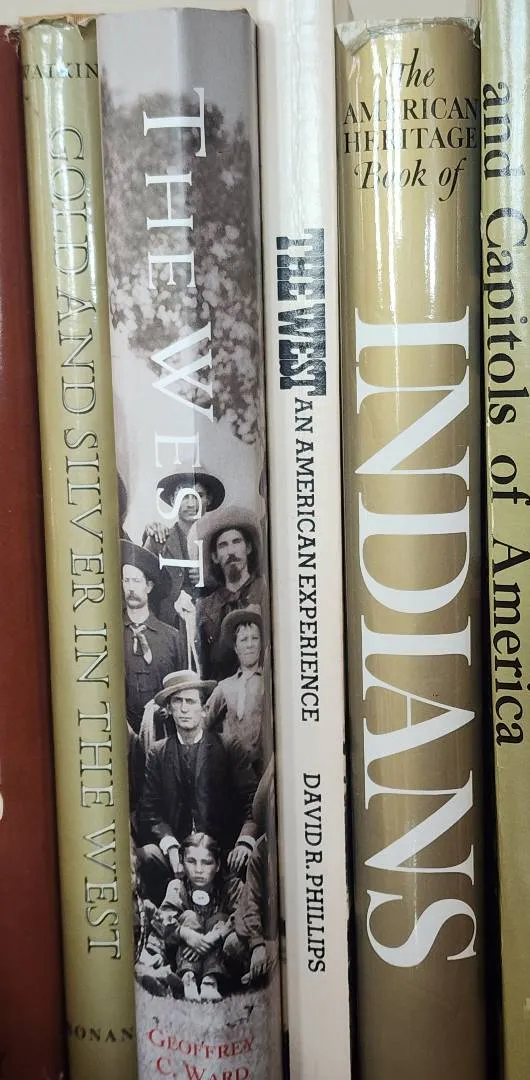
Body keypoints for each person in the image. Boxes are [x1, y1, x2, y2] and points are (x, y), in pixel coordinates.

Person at [137, 670, 258, 904]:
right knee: (147, 855)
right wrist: (171, 847)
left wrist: (244, 841)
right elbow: (150, 812)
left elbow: (252, 801)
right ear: (169, 709)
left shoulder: (228, 747)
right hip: (177, 856)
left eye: (191, 702)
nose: (184, 709)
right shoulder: (158, 753)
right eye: (177, 702)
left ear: (203, 709)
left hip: (222, 854)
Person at [137, 832, 243, 1002]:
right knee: (189, 917)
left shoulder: (232, 887)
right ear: (182, 863)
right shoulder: (177, 887)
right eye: (191, 861)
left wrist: (214, 936)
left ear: (217, 865)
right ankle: (188, 977)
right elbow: (163, 919)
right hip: (183, 956)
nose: (199, 870)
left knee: (219, 919)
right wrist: (186, 934)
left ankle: (210, 981)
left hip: (220, 960)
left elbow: (243, 914)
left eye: (207, 862)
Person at [143, 470, 225, 651]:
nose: (191, 504)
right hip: (169, 634)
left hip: (213, 634)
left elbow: (237, 583)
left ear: (208, 500)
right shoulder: (160, 539)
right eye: (184, 496)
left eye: (199, 495)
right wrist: (151, 540)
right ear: (173, 500)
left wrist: (211, 577)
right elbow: (139, 580)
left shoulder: (222, 542)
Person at [194, 506, 269, 679]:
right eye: (223, 545)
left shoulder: (265, 591)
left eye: (237, 542)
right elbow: (205, 666)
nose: (231, 551)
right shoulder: (206, 607)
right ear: (214, 557)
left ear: (248, 548)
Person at [121, 541, 186, 736]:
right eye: (126, 581)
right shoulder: (111, 635)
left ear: (149, 586)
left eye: (136, 581)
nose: (131, 588)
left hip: (164, 736)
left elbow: (181, 689)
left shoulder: (172, 638)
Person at [224, 759, 279, 988]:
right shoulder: (263, 848)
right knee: (232, 946)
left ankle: (264, 971)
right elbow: (251, 902)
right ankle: (262, 968)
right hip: (266, 935)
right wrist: (257, 945)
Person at [205, 607, 272, 777]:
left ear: (261, 643)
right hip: (231, 770)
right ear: (235, 647)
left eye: (255, 638)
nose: (250, 645)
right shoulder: (225, 687)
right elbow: (204, 723)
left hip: (262, 770)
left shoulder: (268, 683)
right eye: (243, 640)